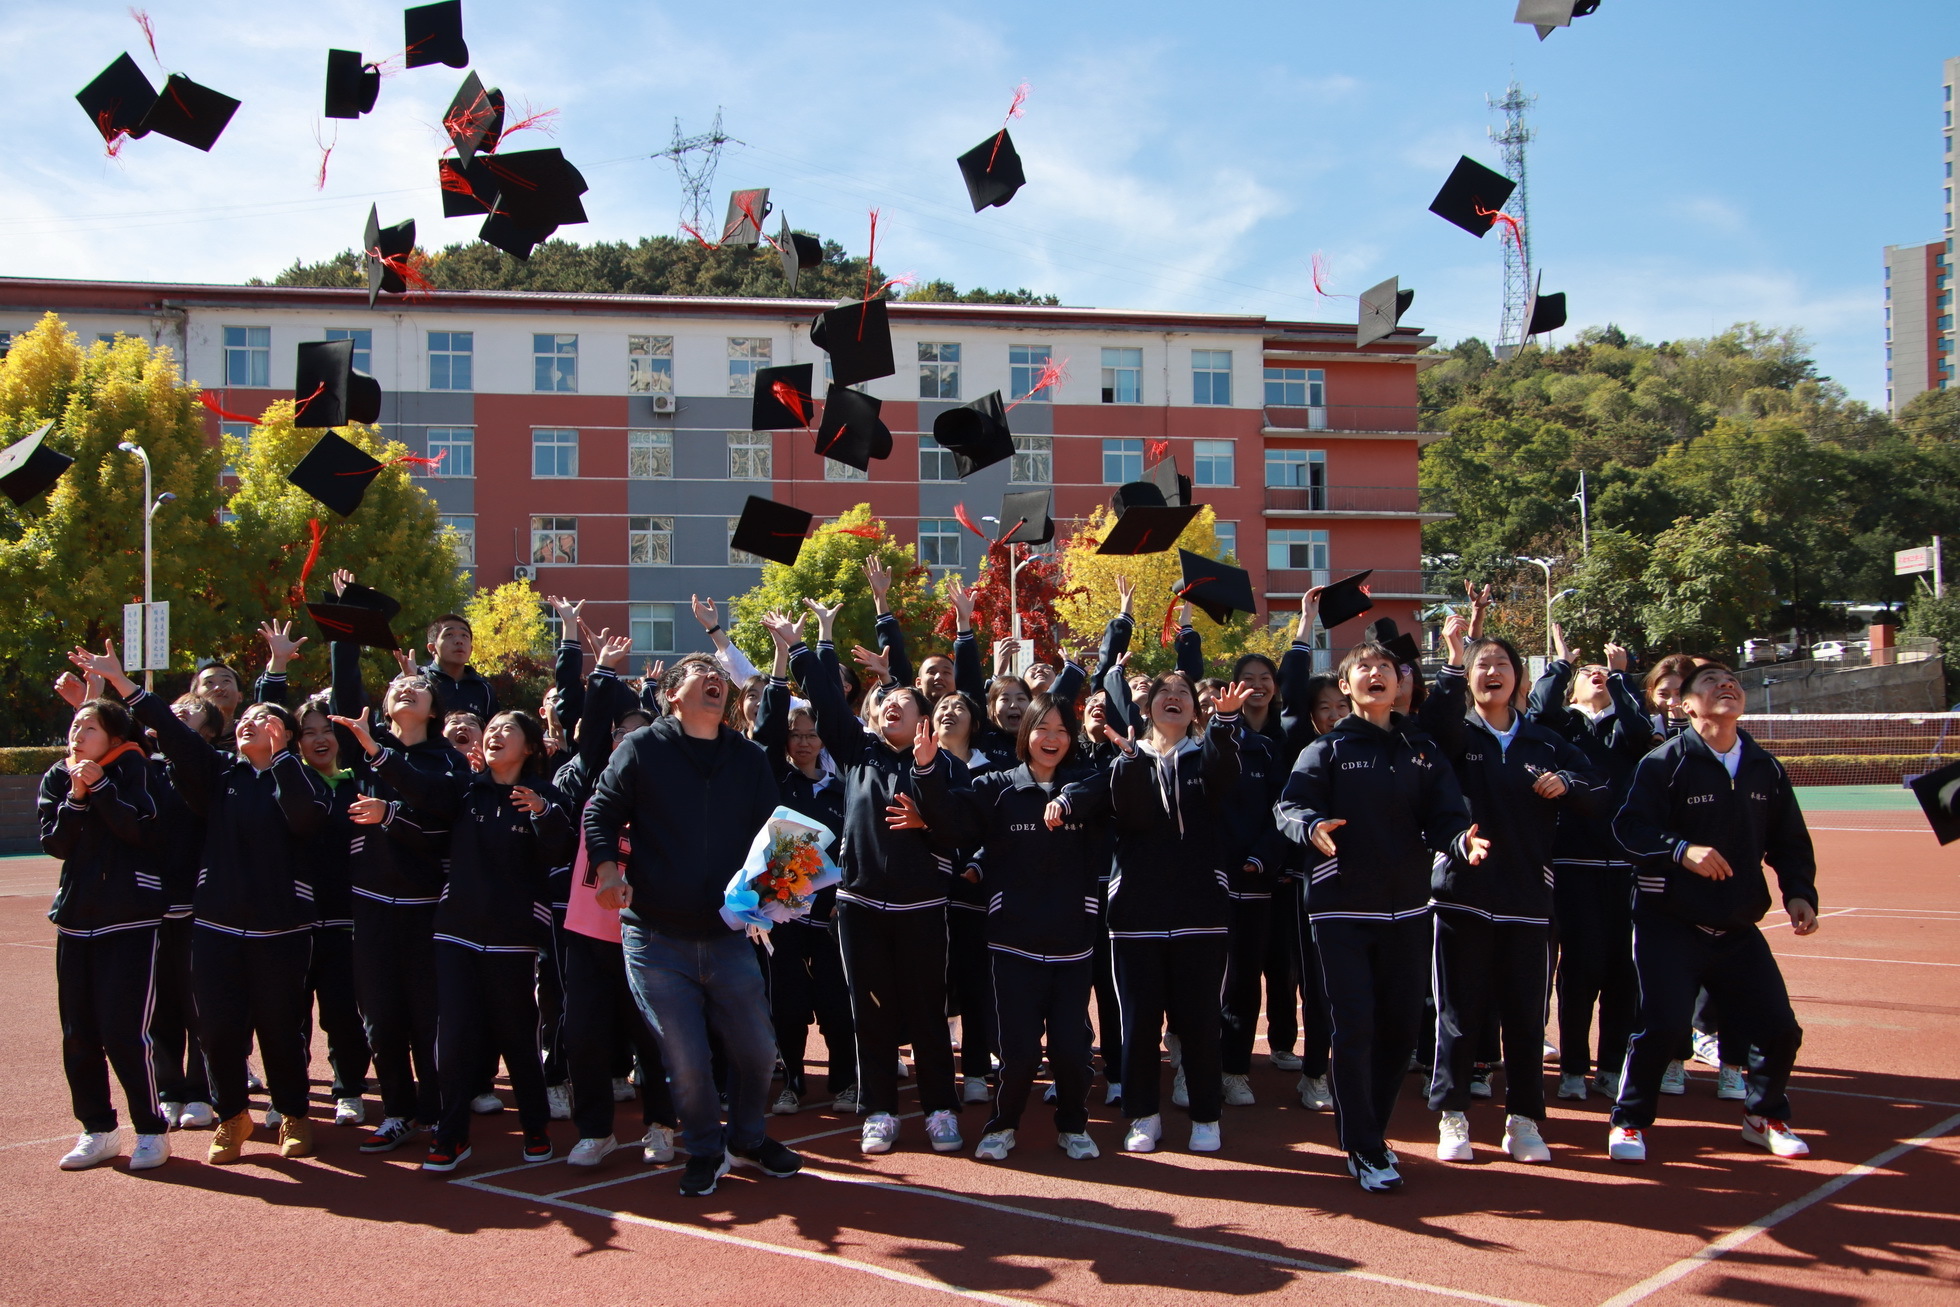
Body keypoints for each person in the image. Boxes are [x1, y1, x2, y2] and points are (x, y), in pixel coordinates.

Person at [77, 641, 332, 1165]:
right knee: (217, 1029)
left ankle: (292, 1112)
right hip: (216, 924)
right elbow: (174, 735)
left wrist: (282, 757)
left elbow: (303, 819)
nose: (250, 724)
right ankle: (232, 1115)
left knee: (280, 1027)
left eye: (265, 720)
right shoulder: (219, 775)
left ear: (285, 734)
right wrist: (123, 685)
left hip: (280, 928)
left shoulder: (304, 778)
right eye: (247, 720)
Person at [1274, 640, 1487, 1193]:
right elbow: (1289, 807)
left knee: (1399, 1028)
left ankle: (1374, 1131)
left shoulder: (1422, 749)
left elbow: (1447, 817)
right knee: (1355, 1026)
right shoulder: (1328, 749)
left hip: (1408, 909)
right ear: (1346, 687)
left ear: (1399, 683)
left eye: (1385, 667)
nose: (1376, 673)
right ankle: (1363, 1145)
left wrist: (1462, 842)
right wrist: (1311, 827)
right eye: (1363, 667)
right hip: (1340, 910)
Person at [586, 652, 800, 1197]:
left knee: (757, 1050)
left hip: (729, 935)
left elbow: (773, 837)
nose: (716, 681)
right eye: (703, 674)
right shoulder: (642, 747)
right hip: (655, 937)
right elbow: (600, 811)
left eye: (720, 677)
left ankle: (747, 1139)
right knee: (686, 1059)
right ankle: (705, 1150)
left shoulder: (748, 757)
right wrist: (608, 871)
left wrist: (785, 890)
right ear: (673, 694)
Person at [1607, 661, 1819, 1164]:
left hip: (1738, 925)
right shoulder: (1664, 763)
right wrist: (1680, 850)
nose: (1726, 685)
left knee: (1780, 1029)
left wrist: (1799, 893)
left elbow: (1789, 840)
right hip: (1670, 923)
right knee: (1663, 1027)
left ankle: (1763, 1115)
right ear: (1685, 705)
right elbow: (1628, 829)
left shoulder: (1765, 767)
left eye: (1732, 681)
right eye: (1710, 682)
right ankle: (1629, 1121)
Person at [1420, 617, 1604, 1165]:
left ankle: (1523, 1120)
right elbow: (1433, 722)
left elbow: (1599, 789)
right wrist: (1454, 657)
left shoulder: (1545, 742)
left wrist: (1568, 785)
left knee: (1525, 1018)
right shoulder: (1454, 735)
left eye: (1502, 663)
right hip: (1461, 895)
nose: (1492, 671)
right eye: (1483, 665)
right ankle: (1453, 1116)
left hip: (1527, 898)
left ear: (1519, 677)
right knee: (1458, 1015)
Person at [789, 601, 970, 1158]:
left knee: (926, 1011)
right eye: (886, 701)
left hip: (921, 907)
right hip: (861, 905)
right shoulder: (858, 752)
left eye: (905, 702)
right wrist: (807, 643)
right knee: (870, 1011)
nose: (893, 705)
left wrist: (926, 811)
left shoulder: (946, 766)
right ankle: (879, 1111)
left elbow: (959, 831)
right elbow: (826, 700)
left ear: (924, 719)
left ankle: (940, 1108)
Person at [366, 707, 573, 1173]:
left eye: (508, 730)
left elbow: (561, 847)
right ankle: (452, 1134)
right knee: (455, 1034)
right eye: (492, 728)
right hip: (455, 931)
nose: (495, 735)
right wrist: (376, 752)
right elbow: (419, 787)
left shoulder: (544, 795)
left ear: (530, 747)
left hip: (512, 937)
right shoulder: (465, 787)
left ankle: (535, 1125)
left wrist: (543, 813)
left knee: (516, 1032)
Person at [1058, 671, 1251, 1155]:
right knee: (1139, 1023)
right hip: (1135, 913)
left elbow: (1225, 770)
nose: (1173, 697)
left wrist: (1227, 722)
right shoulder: (1129, 756)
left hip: (1200, 912)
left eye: (1184, 693)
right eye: (1164, 692)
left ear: (1195, 710)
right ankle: (1144, 1115)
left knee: (1201, 1021)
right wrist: (1065, 799)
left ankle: (1206, 1116)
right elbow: (1097, 793)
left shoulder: (1207, 754)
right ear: (1148, 707)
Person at [911, 692, 1107, 1161]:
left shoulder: (1086, 785)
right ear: (1025, 735)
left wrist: (1070, 799)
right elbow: (949, 821)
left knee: (1070, 1051)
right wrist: (927, 769)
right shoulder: (997, 786)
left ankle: (1073, 1126)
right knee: (1018, 1052)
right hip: (1012, 943)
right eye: (1043, 729)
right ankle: (1003, 1126)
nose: (1052, 739)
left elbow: (1115, 785)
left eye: (1062, 731)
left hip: (1072, 943)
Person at [41, 696, 166, 1172]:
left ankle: (151, 1130)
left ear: (114, 738)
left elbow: (141, 832)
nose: (77, 735)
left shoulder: (137, 769)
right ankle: (98, 1129)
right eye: (75, 726)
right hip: (76, 919)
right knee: (79, 1034)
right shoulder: (58, 776)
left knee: (123, 1031)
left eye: (89, 728)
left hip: (129, 918)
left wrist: (101, 789)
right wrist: (75, 798)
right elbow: (56, 843)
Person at [1529, 626, 1652, 1101]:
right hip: (1570, 862)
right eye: (1588, 672)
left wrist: (1621, 677)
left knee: (1623, 970)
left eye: (1602, 671)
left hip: (1623, 865)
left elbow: (1641, 730)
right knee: (1578, 969)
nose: (1596, 674)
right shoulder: (1563, 727)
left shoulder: (1626, 724)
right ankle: (1574, 1068)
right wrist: (1562, 664)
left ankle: (1612, 1065)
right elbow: (1540, 708)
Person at [752, 616, 857, 1115]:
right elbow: (767, 730)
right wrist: (780, 657)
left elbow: (854, 849)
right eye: (796, 735)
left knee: (837, 1003)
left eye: (813, 735)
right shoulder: (775, 782)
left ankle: (846, 1082)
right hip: (783, 915)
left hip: (831, 916)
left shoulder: (844, 790)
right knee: (788, 1004)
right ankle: (793, 1083)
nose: (804, 742)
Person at [421, 613, 499, 722]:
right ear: (432, 647)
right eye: (449, 635)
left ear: (471, 649)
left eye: (464, 635)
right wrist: (408, 676)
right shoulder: (419, 679)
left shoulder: (483, 689)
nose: (459, 641)